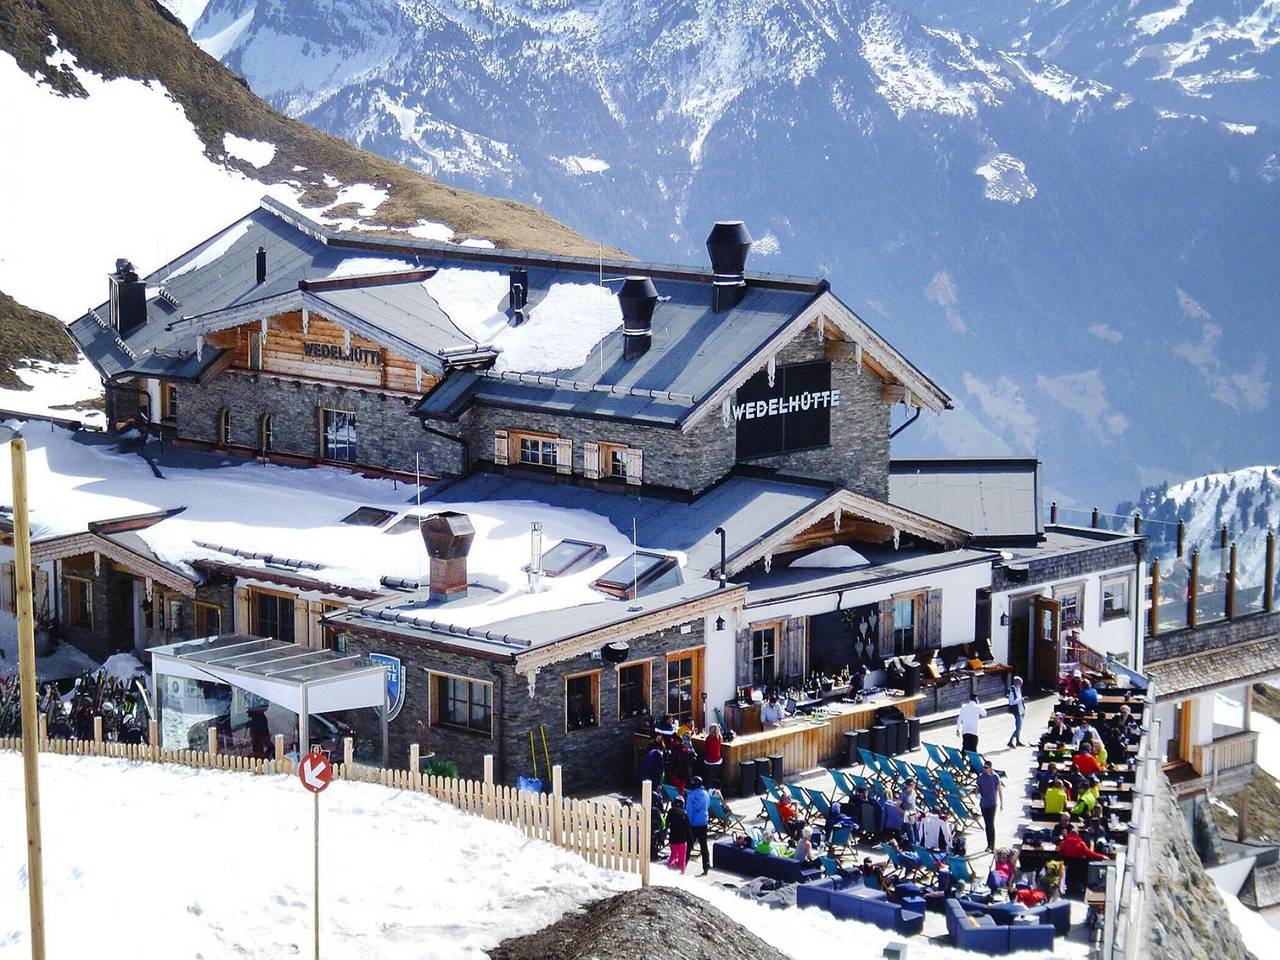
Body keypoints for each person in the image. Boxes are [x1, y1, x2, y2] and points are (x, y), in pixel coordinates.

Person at [685, 776, 711, 875]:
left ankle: (683, 865)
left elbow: (689, 811)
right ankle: (706, 866)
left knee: (689, 846)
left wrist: (688, 824)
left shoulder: (691, 796)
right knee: (704, 846)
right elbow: (708, 806)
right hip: (703, 823)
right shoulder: (706, 794)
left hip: (693, 824)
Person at [976, 759, 1003, 852]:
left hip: (992, 803)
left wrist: (1001, 803)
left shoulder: (995, 777)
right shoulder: (981, 777)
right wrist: (978, 793)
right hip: (983, 804)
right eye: (984, 767)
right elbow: (978, 788)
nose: (984, 769)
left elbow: (999, 790)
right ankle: (989, 845)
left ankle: (993, 845)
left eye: (986, 768)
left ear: (990, 768)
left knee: (991, 824)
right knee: (987, 825)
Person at [666, 795, 691, 873]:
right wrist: (690, 840)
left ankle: (668, 870)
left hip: (672, 839)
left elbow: (667, 824)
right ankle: (682, 872)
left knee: (673, 856)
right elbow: (688, 829)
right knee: (681, 858)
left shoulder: (670, 812)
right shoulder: (685, 814)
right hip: (682, 840)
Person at [1007, 676, 1026, 748]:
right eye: (1020, 683)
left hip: (1021, 709)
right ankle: (1010, 741)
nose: (1021, 685)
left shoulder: (1019, 689)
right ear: (1016, 683)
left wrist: (1022, 700)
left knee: (1019, 727)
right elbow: (1012, 702)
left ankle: (1018, 741)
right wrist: (1020, 699)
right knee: (1018, 728)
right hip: (1016, 711)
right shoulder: (1012, 691)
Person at [702, 723, 723, 788]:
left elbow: (705, 749)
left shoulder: (708, 738)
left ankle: (709, 785)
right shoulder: (719, 737)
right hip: (717, 761)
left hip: (708, 761)